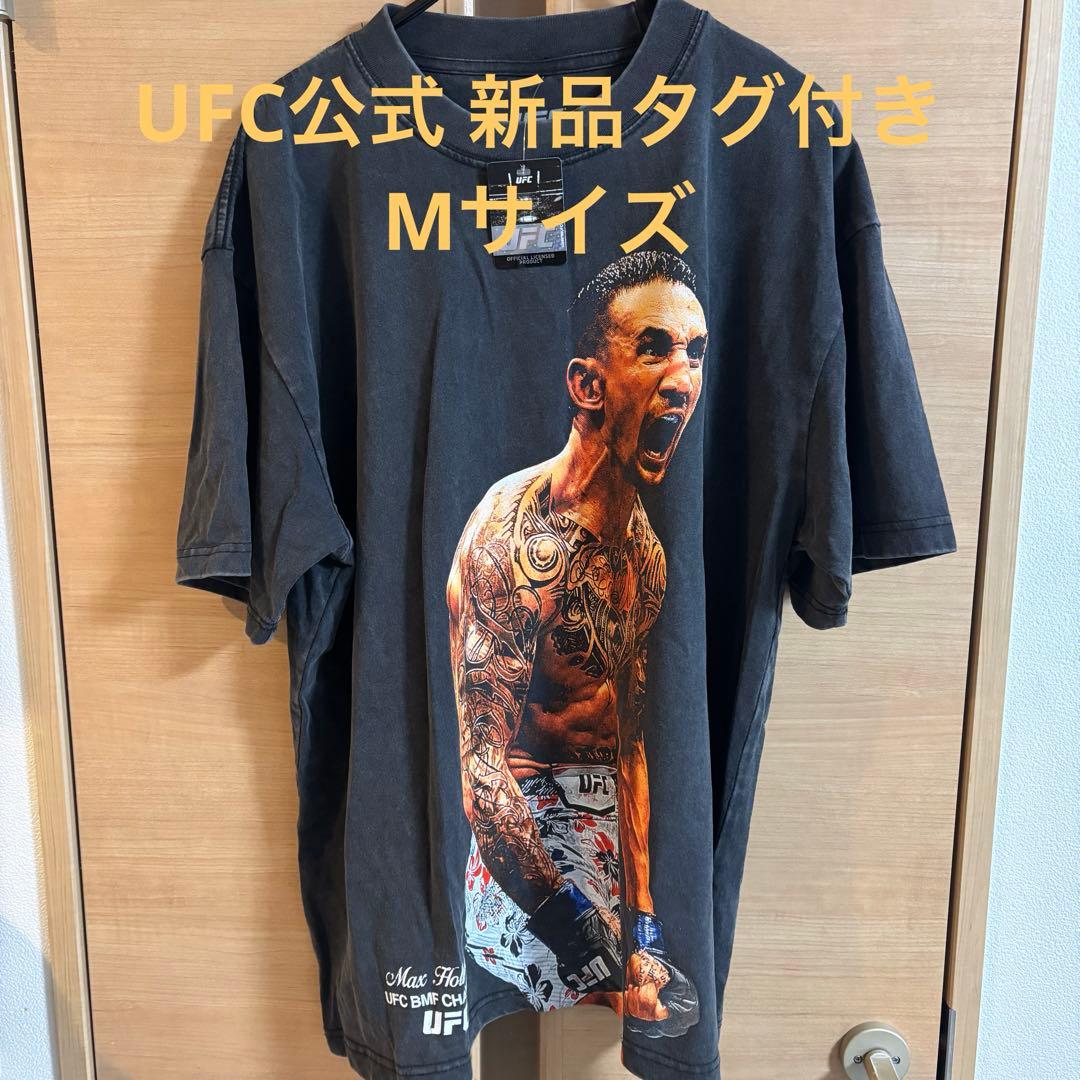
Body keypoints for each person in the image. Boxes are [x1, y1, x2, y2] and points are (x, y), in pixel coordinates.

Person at [446, 251, 704, 1037]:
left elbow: (629, 747)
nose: (683, 378)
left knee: (674, 1007)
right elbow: (482, 772)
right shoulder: (511, 538)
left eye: (695, 352)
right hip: (521, 853)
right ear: (589, 385)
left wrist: (644, 926)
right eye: (654, 348)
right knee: (644, 1013)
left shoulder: (644, 556)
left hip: (604, 848)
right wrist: (589, 942)